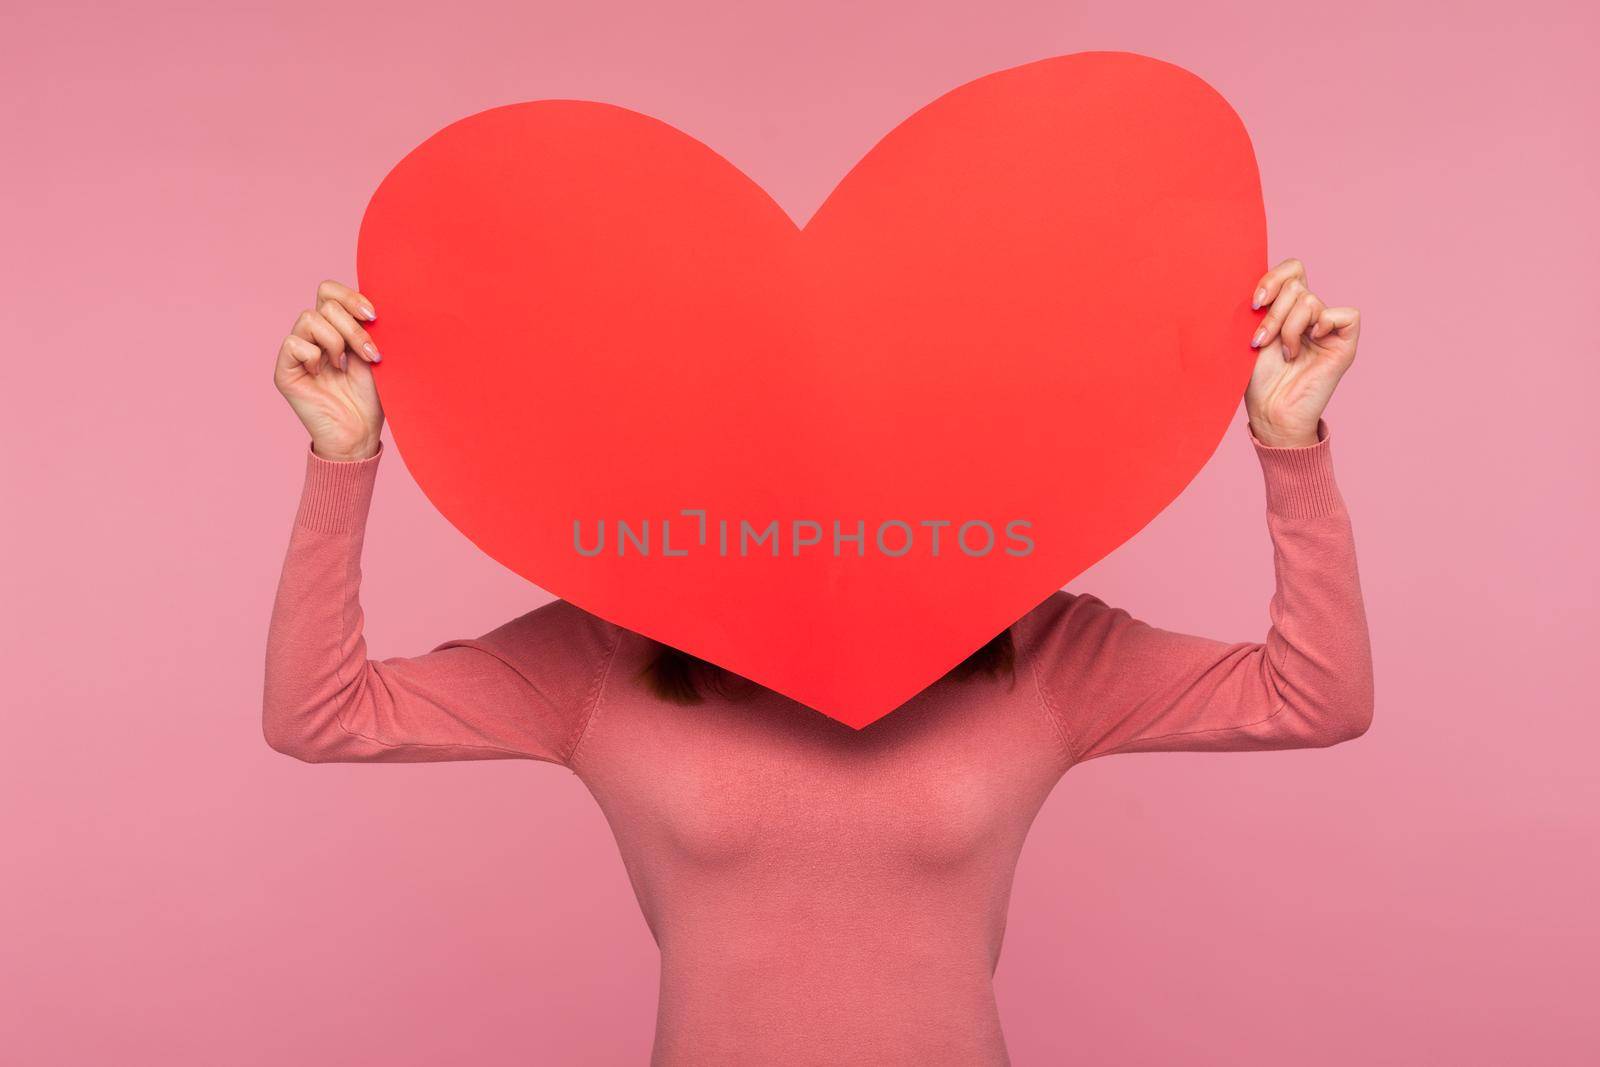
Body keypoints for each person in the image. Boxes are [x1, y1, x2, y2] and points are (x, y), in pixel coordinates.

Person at [264, 258, 1372, 1066]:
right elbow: (324, 713)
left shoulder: (1042, 649)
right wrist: (342, 453)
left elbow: (1310, 693)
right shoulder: (601, 650)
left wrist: (1287, 442)